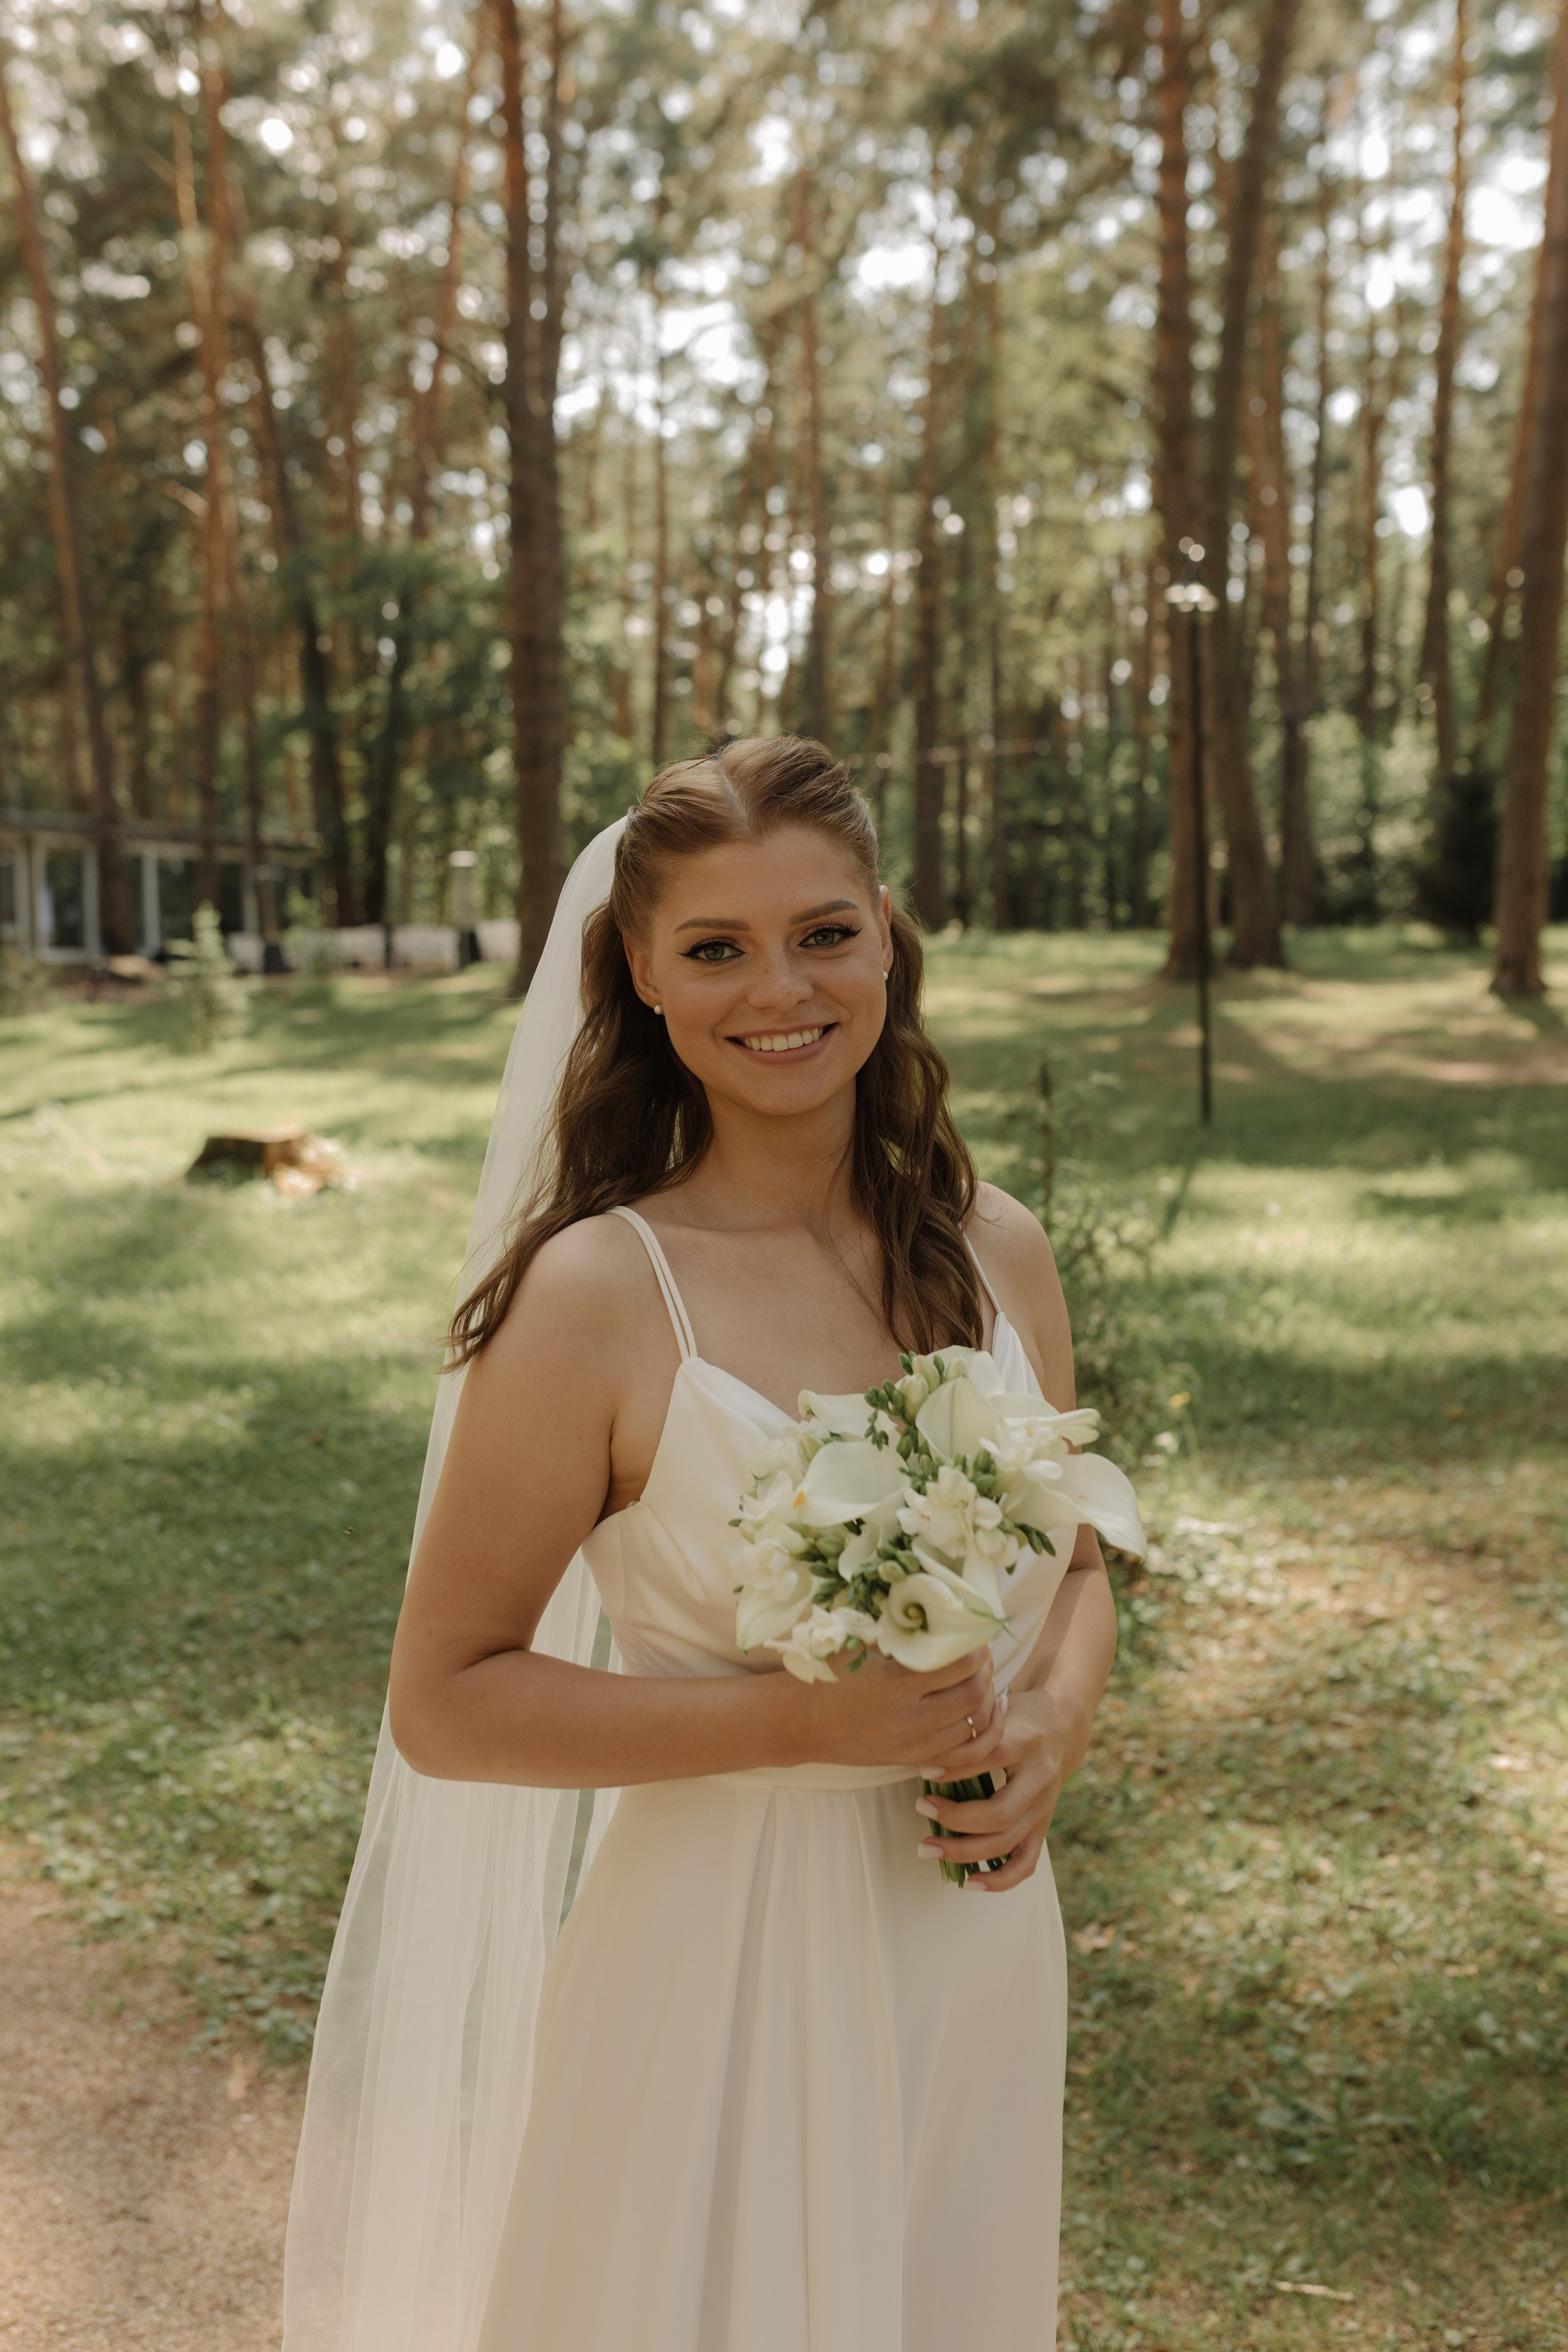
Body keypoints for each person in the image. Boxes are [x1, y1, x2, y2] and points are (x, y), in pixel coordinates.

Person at [282, 736, 1122, 2352]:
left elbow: (1077, 1569)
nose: (781, 990)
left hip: (974, 1942)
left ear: (887, 937)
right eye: (718, 948)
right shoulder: (600, 1296)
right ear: (643, 975)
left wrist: (1054, 1726)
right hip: (726, 1956)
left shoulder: (996, 1250)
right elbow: (446, 1700)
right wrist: (805, 1724)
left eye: (824, 933)